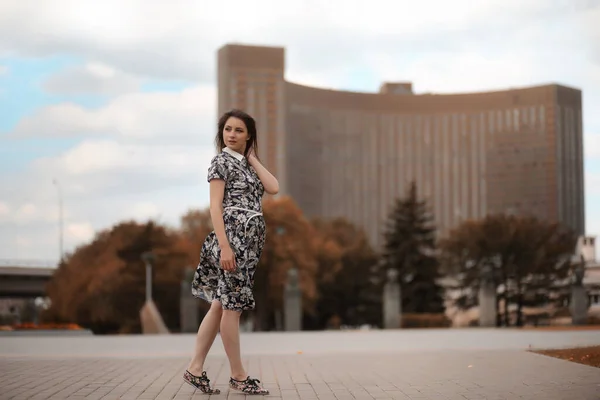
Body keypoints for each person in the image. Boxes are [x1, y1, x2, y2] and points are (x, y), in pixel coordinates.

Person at [183, 109, 278, 395]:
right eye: (227, 129)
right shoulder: (220, 162)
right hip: (232, 244)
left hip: (248, 246)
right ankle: (238, 375)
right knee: (232, 308)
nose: (232, 135)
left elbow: (273, 187)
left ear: (249, 135)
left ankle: (195, 368)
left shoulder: (247, 165)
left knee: (220, 305)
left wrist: (252, 157)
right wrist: (225, 247)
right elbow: (215, 207)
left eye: (238, 130)